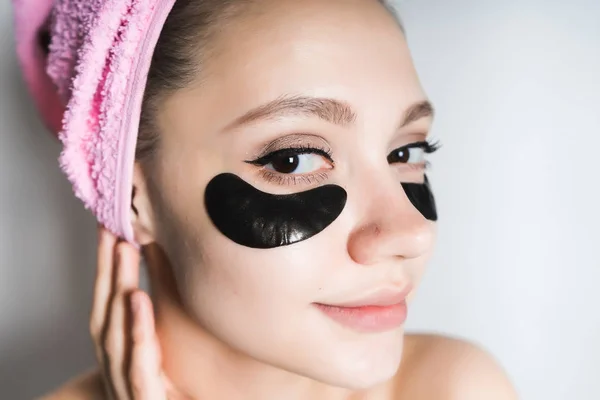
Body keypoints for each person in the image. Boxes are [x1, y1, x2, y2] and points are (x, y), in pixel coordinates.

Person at [12, 0, 518, 398]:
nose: (411, 232)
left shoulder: (452, 388)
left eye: (406, 150)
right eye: (292, 159)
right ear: (128, 193)